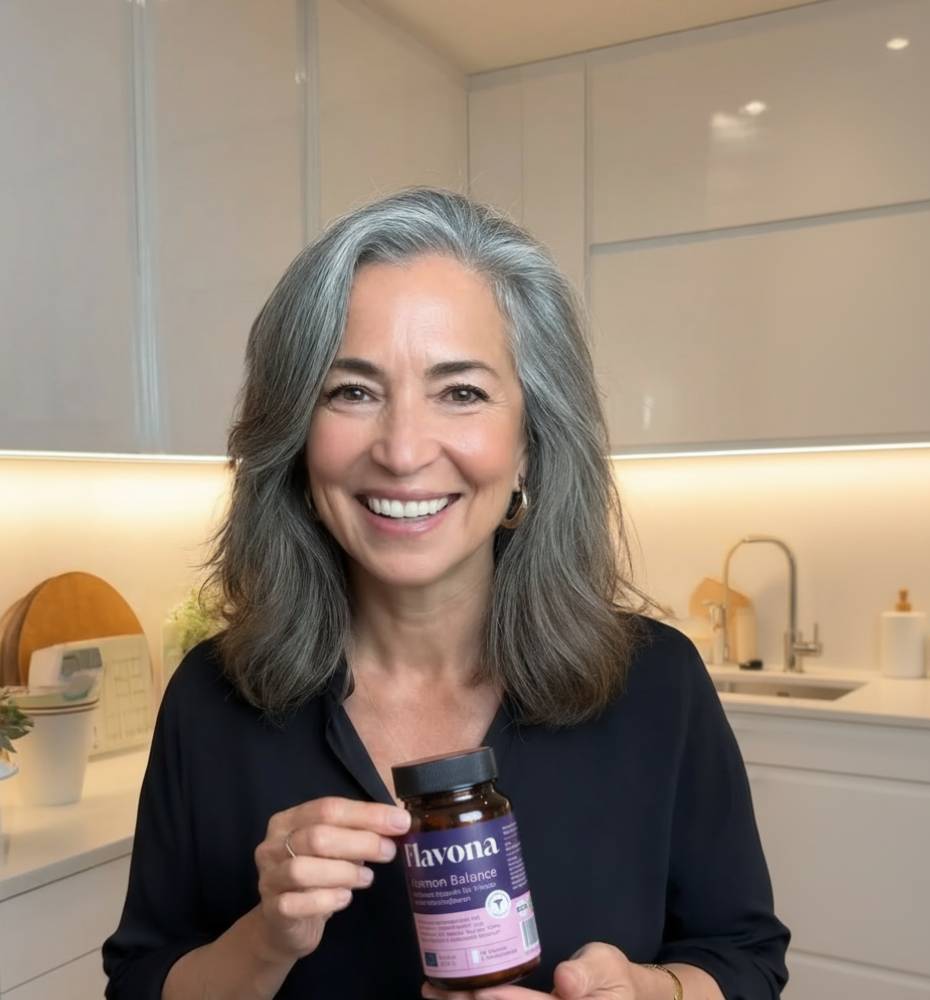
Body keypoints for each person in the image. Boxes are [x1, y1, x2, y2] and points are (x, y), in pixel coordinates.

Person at [102, 188, 790, 999]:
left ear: (531, 440)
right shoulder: (212, 699)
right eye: (351, 391)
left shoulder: (657, 684)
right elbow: (142, 981)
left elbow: (742, 959)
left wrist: (648, 991)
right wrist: (267, 937)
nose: (401, 451)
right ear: (294, 434)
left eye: (460, 391)